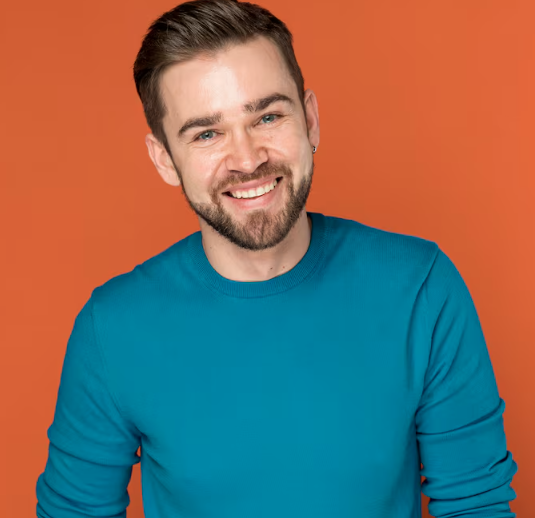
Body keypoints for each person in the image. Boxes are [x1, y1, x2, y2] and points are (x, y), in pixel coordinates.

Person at [35, 0, 518, 516]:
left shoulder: (421, 287)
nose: (247, 159)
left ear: (310, 120)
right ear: (165, 160)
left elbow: (476, 505)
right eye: (207, 133)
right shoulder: (112, 329)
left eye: (267, 116)